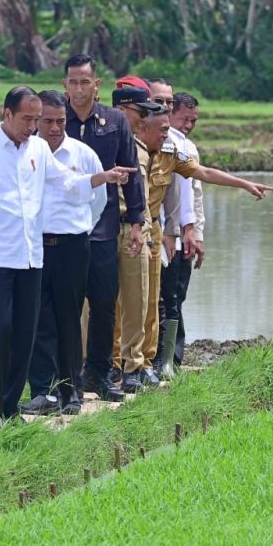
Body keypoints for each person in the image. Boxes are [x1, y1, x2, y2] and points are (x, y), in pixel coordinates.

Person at [0, 86, 135, 431]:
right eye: (28, 119)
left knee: (26, 333)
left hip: (30, 257)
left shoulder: (38, 148)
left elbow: (66, 182)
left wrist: (103, 177)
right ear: (7, 115)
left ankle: (10, 411)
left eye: (36, 119)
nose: (33, 126)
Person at [118, 107, 273, 390]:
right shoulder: (127, 150)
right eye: (163, 130)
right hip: (128, 227)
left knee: (151, 302)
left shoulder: (170, 152)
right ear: (143, 128)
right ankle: (119, 365)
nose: (169, 135)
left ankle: (145, 365)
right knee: (125, 302)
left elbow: (201, 172)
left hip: (151, 228)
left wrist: (243, 184)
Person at [63, 54, 146, 403]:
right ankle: (65, 377)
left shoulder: (114, 122)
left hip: (104, 227)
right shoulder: (54, 121)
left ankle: (98, 372)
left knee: (103, 303)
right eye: (73, 81)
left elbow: (132, 174)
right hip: (63, 230)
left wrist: (138, 223)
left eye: (85, 81)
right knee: (64, 305)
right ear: (65, 84)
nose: (79, 88)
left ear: (97, 85)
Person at [21, 90, 109, 416]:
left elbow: (98, 200)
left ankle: (71, 392)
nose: (55, 127)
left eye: (60, 121)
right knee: (38, 320)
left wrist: (81, 228)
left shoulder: (83, 154)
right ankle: (42, 391)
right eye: (48, 121)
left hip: (72, 247)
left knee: (69, 320)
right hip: (35, 247)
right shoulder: (27, 154)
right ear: (36, 121)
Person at [109, 86, 164, 393]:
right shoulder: (102, 141)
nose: (144, 118)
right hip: (104, 227)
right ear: (122, 110)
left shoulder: (140, 148)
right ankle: (105, 364)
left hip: (134, 228)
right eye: (140, 112)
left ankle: (134, 365)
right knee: (100, 303)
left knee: (137, 300)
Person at [156, 92, 207, 376]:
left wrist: (196, 234)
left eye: (193, 120)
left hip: (182, 231)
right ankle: (165, 360)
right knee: (168, 297)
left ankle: (170, 359)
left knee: (176, 295)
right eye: (184, 119)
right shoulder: (167, 143)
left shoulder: (188, 146)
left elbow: (194, 198)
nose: (188, 124)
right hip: (169, 232)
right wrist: (181, 231)